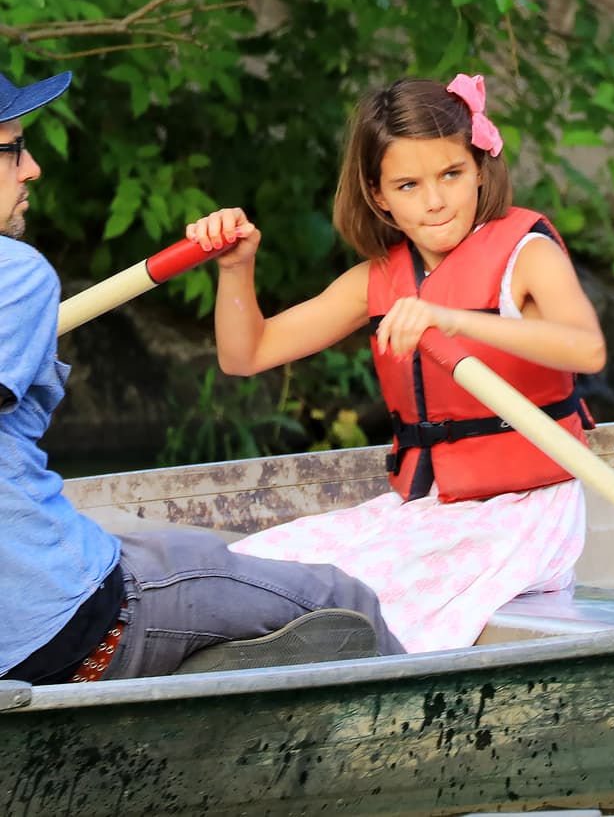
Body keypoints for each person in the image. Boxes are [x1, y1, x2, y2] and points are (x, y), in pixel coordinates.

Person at [0, 69, 404, 686]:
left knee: (187, 552)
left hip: (57, 585)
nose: (32, 169)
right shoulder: (17, 274)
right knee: (348, 600)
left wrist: (235, 270)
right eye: (14, 148)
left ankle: (211, 652)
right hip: (64, 630)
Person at [186, 74, 606, 654]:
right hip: (432, 509)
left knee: (362, 602)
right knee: (254, 565)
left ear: (480, 168)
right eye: (408, 185)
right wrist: (235, 268)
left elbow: (587, 348)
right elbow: (245, 355)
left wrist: (453, 320)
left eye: (451, 175)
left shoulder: (527, 255)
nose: (434, 200)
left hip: (524, 515)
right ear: (379, 194)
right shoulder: (379, 279)